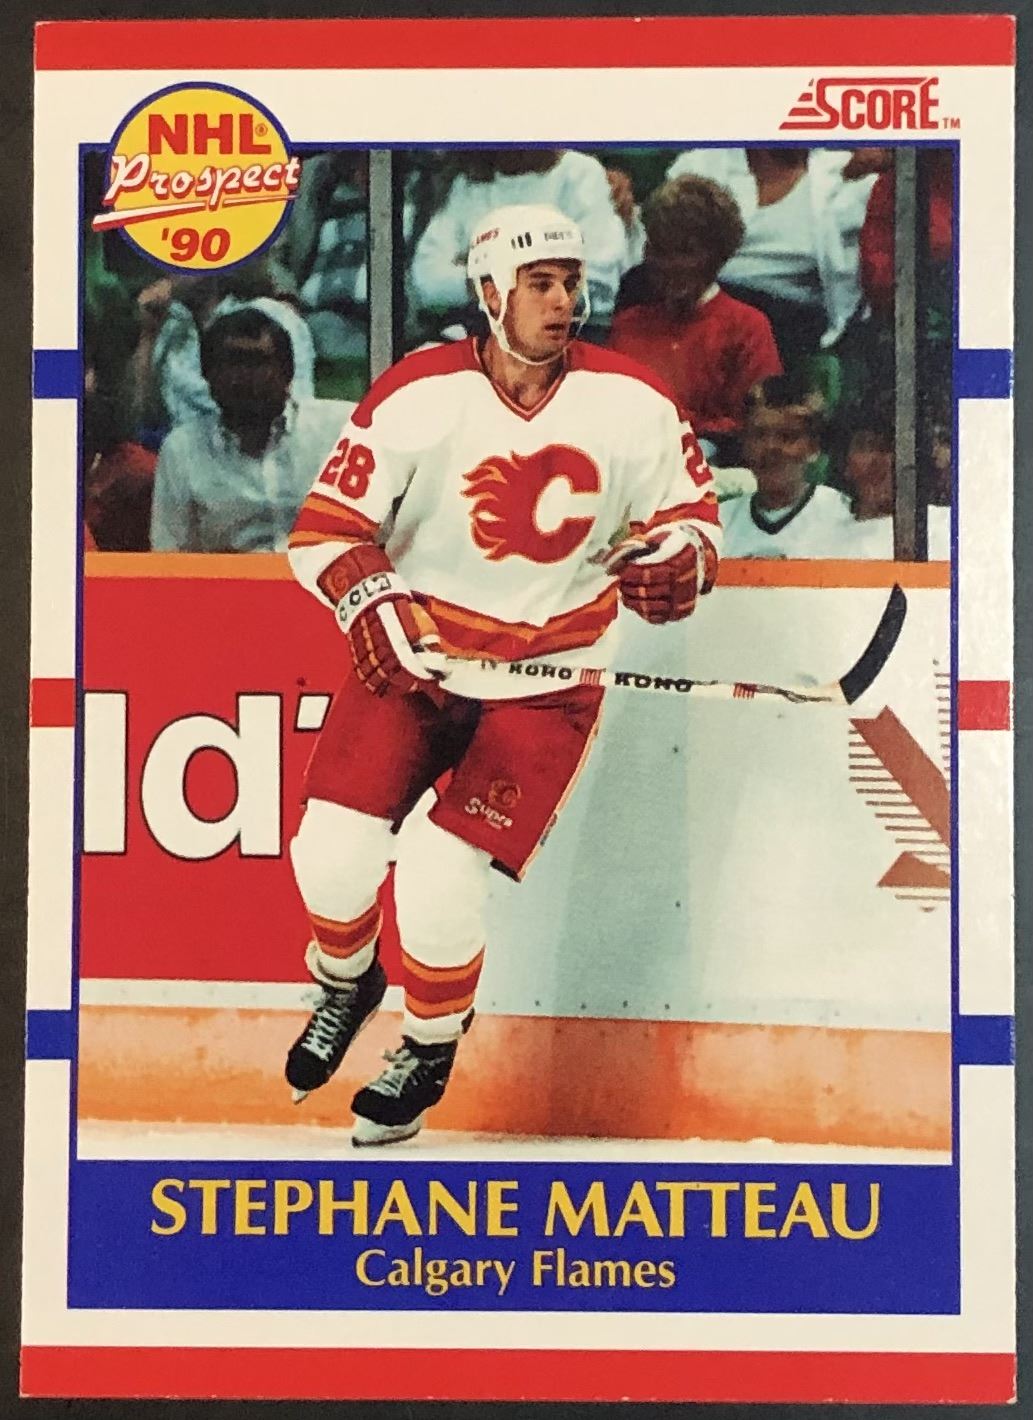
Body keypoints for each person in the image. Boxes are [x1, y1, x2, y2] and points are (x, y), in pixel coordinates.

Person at [283, 203, 722, 1146]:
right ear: (489, 293)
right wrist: (370, 599)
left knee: (439, 873)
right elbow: (323, 532)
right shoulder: (417, 392)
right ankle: (346, 982)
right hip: (423, 664)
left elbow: (693, 518)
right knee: (329, 853)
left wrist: (680, 558)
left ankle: (428, 1044)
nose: (563, 301)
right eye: (539, 284)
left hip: (548, 680)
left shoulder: (633, 401)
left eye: (571, 282)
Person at [608, 175, 782, 461]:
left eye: (686, 251)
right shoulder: (627, 325)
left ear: (717, 254)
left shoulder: (747, 327)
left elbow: (758, 422)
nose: (670, 264)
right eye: (660, 249)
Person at [150, 308, 352, 552]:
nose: (243, 377)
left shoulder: (341, 429)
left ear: (287, 372)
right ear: (207, 375)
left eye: (257, 363)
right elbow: (170, 554)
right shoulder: (182, 450)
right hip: (229, 576)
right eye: (230, 364)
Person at [662, 148, 877, 362]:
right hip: (700, 299)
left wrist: (887, 159)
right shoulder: (699, 166)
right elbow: (660, 245)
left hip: (786, 314)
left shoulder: (846, 172)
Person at [408, 151, 630, 333]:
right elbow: (429, 283)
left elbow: (598, 282)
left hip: (567, 338)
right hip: (475, 335)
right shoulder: (467, 185)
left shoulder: (581, 174)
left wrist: (480, 269)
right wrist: (545, 268)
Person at [720, 374, 873, 558]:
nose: (770, 447)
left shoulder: (845, 516)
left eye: (787, 436)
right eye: (759, 435)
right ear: (744, 442)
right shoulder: (719, 522)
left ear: (814, 447)